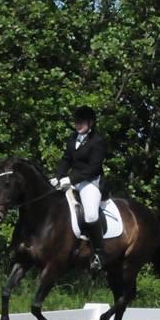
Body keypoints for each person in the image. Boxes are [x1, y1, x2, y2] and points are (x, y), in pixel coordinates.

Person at [49, 106, 107, 271]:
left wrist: (71, 178)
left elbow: (94, 168)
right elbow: (66, 160)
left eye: (81, 122)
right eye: (76, 122)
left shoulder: (98, 141)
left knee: (90, 214)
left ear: (90, 123)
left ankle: (98, 253)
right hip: (73, 180)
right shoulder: (73, 138)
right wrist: (58, 177)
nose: (78, 124)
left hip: (91, 182)